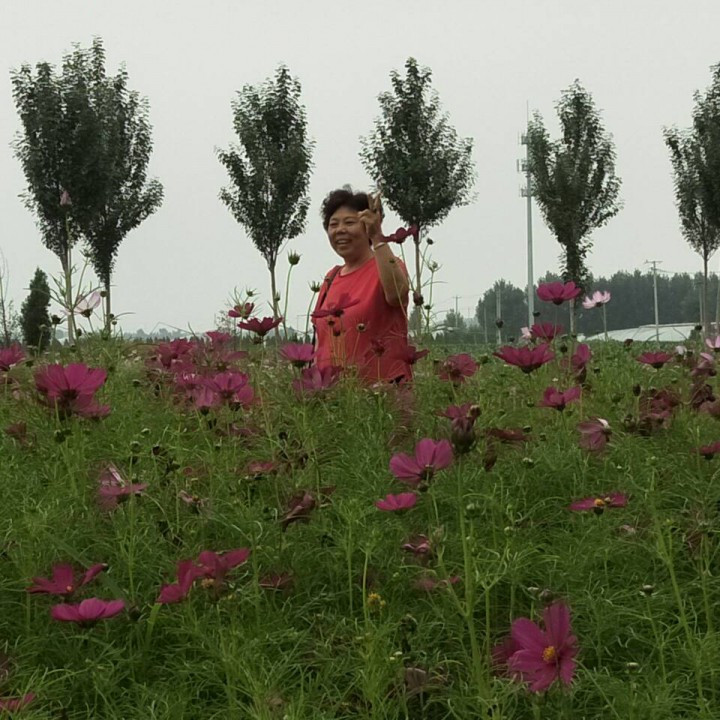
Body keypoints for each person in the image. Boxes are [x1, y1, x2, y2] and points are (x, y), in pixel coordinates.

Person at [312, 187, 412, 384]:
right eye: (333, 224)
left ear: (367, 226)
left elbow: (397, 296)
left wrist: (378, 237)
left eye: (349, 222)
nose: (340, 230)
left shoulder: (387, 266)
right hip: (333, 394)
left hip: (381, 392)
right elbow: (321, 342)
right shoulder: (331, 278)